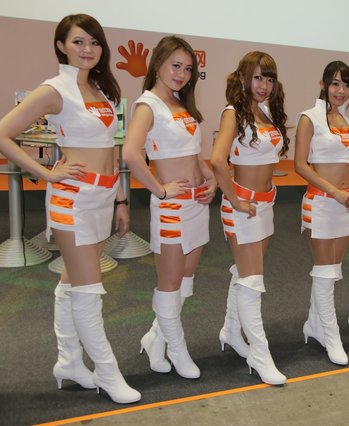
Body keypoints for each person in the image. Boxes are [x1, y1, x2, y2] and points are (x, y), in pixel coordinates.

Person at [0, 14, 140, 403]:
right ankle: (108, 373)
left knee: (72, 283)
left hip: (102, 197)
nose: (87, 49)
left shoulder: (101, 88)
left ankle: (69, 363)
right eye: (78, 42)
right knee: (89, 290)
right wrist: (45, 172)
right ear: (61, 46)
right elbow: (3, 133)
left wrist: (121, 199)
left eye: (94, 42)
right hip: (73, 200)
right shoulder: (54, 90)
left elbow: (110, 149)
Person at [123, 36, 216, 379]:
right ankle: (178, 349)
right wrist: (160, 190)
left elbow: (192, 155)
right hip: (172, 209)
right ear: (158, 64)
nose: (181, 74)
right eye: (175, 65)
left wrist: (211, 178)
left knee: (185, 282)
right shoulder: (148, 105)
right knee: (169, 283)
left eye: (188, 69)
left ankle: (156, 339)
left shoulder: (180, 102)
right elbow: (130, 153)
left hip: (197, 205)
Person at [211, 51, 289, 385]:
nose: (263, 85)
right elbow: (217, 161)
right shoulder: (233, 113)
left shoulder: (267, 112)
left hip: (265, 206)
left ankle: (231, 331)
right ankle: (260, 353)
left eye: (269, 79)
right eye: (257, 77)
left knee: (245, 275)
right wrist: (235, 200)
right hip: (242, 208)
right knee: (253, 281)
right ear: (243, 77)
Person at [294, 61, 349, 365]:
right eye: (335, 84)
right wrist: (334, 191)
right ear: (323, 85)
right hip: (321, 203)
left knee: (332, 271)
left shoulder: (348, 121)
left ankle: (314, 324)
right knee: (324, 270)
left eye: (346, 85)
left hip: (345, 205)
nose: (341, 91)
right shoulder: (309, 118)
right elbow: (300, 165)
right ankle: (332, 335)